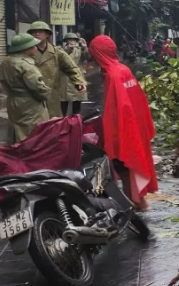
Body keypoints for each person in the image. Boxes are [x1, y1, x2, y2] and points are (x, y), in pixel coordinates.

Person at [87, 35, 158, 211]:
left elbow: (120, 108)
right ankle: (137, 202)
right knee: (130, 166)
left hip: (125, 127)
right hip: (134, 124)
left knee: (125, 167)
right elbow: (138, 100)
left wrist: (114, 134)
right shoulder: (122, 69)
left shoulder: (113, 75)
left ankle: (135, 205)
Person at [27, 22, 86, 118]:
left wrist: (79, 81)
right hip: (33, 95)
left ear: (47, 34)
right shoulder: (26, 52)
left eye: (40, 31)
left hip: (52, 96)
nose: (37, 34)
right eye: (34, 32)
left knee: (53, 124)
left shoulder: (57, 52)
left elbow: (71, 67)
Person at [0, 33, 51, 143]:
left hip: (13, 100)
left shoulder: (6, 62)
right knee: (33, 133)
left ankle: (16, 154)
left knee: (16, 130)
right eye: (33, 46)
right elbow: (38, 87)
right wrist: (46, 94)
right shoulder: (26, 66)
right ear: (26, 49)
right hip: (30, 104)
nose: (36, 48)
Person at [61, 32, 88, 116]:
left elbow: (87, 57)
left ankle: (76, 121)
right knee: (63, 102)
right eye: (69, 39)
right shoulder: (61, 50)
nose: (71, 41)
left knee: (77, 102)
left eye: (73, 39)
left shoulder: (79, 50)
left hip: (77, 78)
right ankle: (64, 122)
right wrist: (68, 50)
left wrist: (85, 48)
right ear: (66, 41)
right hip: (64, 79)